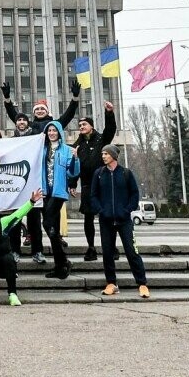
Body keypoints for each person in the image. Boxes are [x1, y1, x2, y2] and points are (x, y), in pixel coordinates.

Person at [90, 145, 150, 298]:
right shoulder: (99, 174)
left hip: (124, 220)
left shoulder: (126, 173)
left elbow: (134, 194)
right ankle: (111, 283)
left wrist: (126, 210)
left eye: (106, 153)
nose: (103, 156)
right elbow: (93, 196)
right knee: (107, 253)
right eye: (102, 153)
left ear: (114, 156)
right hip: (106, 220)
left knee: (132, 251)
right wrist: (101, 210)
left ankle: (142, 284)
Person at [74, 102, 117, 261]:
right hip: (86, 186)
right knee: (88, 218)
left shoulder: (101, 139)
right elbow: (74, 165)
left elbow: (110, 129)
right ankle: (91, 248)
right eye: (79, 125)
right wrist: (72, 183)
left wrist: (109, 113)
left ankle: (111, 247)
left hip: (103, 184)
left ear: (91, 126)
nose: (81, 126)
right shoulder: (78, 144)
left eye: (84, 124)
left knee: (107, 217)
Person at [40, 121, 81, 279]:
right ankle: (61, 265)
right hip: (45, 192)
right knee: (53, 231)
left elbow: (73, 173)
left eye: (54, 130)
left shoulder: (66, 151)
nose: (51, 133)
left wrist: (75, 160)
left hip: (58, 193)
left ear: (59, 133)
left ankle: (63, 261)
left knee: (46, 223)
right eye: (49, 130)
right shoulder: (42, 149)